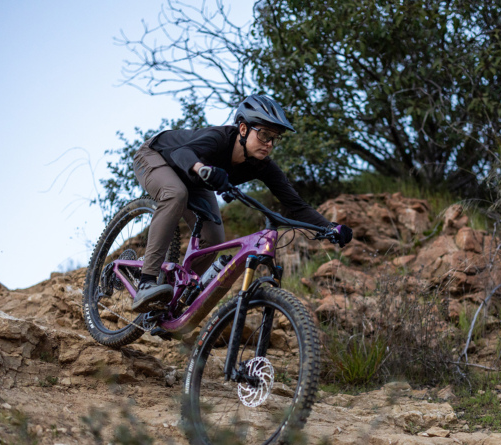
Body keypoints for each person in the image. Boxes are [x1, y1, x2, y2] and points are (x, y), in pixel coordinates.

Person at [131, 95, 353, 312]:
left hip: (196, 179)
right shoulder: (219, 139)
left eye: (275, 139)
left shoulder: (262, 165)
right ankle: (146, 281)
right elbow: (181, 153)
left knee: (214, 238)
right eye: (264, 135)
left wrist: (329, 227)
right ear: (244, 129)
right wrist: (202, 169)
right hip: (157, 156)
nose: (269, 144)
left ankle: (174, 303)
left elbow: (296, 204)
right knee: (175, 194)